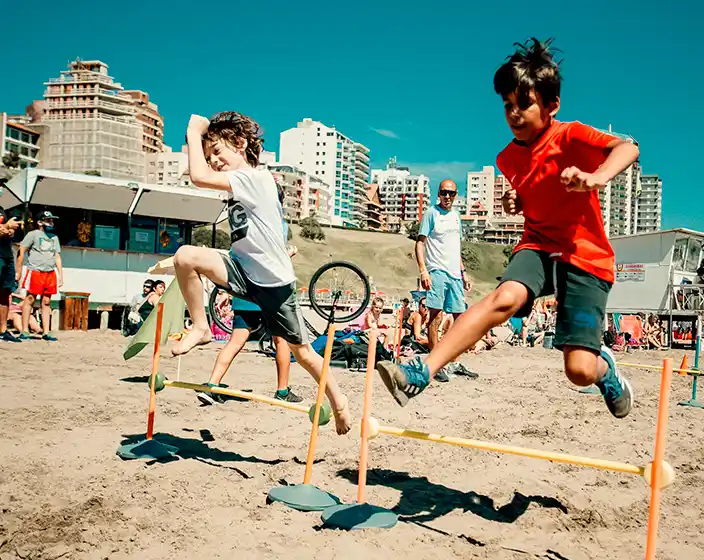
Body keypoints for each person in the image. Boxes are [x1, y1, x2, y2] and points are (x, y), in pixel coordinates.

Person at [375, 38, 638, 416]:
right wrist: (517, 201)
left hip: (585, 254)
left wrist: (596, 178)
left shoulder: (570, 135)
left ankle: (606, 372)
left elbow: (628, 148)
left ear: (551, 106)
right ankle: (422, 371)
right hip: (538, 245)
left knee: (578, 370)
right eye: (507, 105)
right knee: (504, 298)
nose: (513, 113)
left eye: (524, 104)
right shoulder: (507, 158)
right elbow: (535, 191)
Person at [170, 111, 350, 434]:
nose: (213, 161)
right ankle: (201, 326)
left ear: (240, 144)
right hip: (241, 272)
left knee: (304, 353)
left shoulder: (254, 178)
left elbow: (197, 176)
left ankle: (339, 403)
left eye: (217, 153)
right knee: (184, 256)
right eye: (209, 157)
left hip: (274, 286)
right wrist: (201, 145)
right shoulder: (239, 184)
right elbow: (197, 172)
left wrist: (193, 132)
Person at [416, 178, 476, 381]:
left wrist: (463, 272)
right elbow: (419, 244)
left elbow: (455, 248)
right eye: (444, 192)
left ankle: (454, 361)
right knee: (436, 317)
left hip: (454, 273)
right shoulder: (431, 213)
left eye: (451, 193)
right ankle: (435, 364)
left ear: (456, 195)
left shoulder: (456, 216)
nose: (447, 196)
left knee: (459, 319)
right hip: (437, 271)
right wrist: (424, 271)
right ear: (438, 194)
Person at [16, 210, 63, 341]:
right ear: (40, 222)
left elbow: (57, 256)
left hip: (50, 273)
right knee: (30, 298)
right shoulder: (33, 235)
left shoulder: (54, 238)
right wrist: (18, 270)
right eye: (48, 220)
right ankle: (25, 330)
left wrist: (60, 275)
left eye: (52, 220)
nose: (51, 223)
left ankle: (46, 331)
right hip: (35, 271)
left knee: (46, 301)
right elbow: (22, 250)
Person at [0, 206, 22, 342]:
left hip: (6, 254)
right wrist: (6, 226)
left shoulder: (2, 209)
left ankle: (2, 330)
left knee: (4, 292)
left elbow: (6, 231)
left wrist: (9, 231)